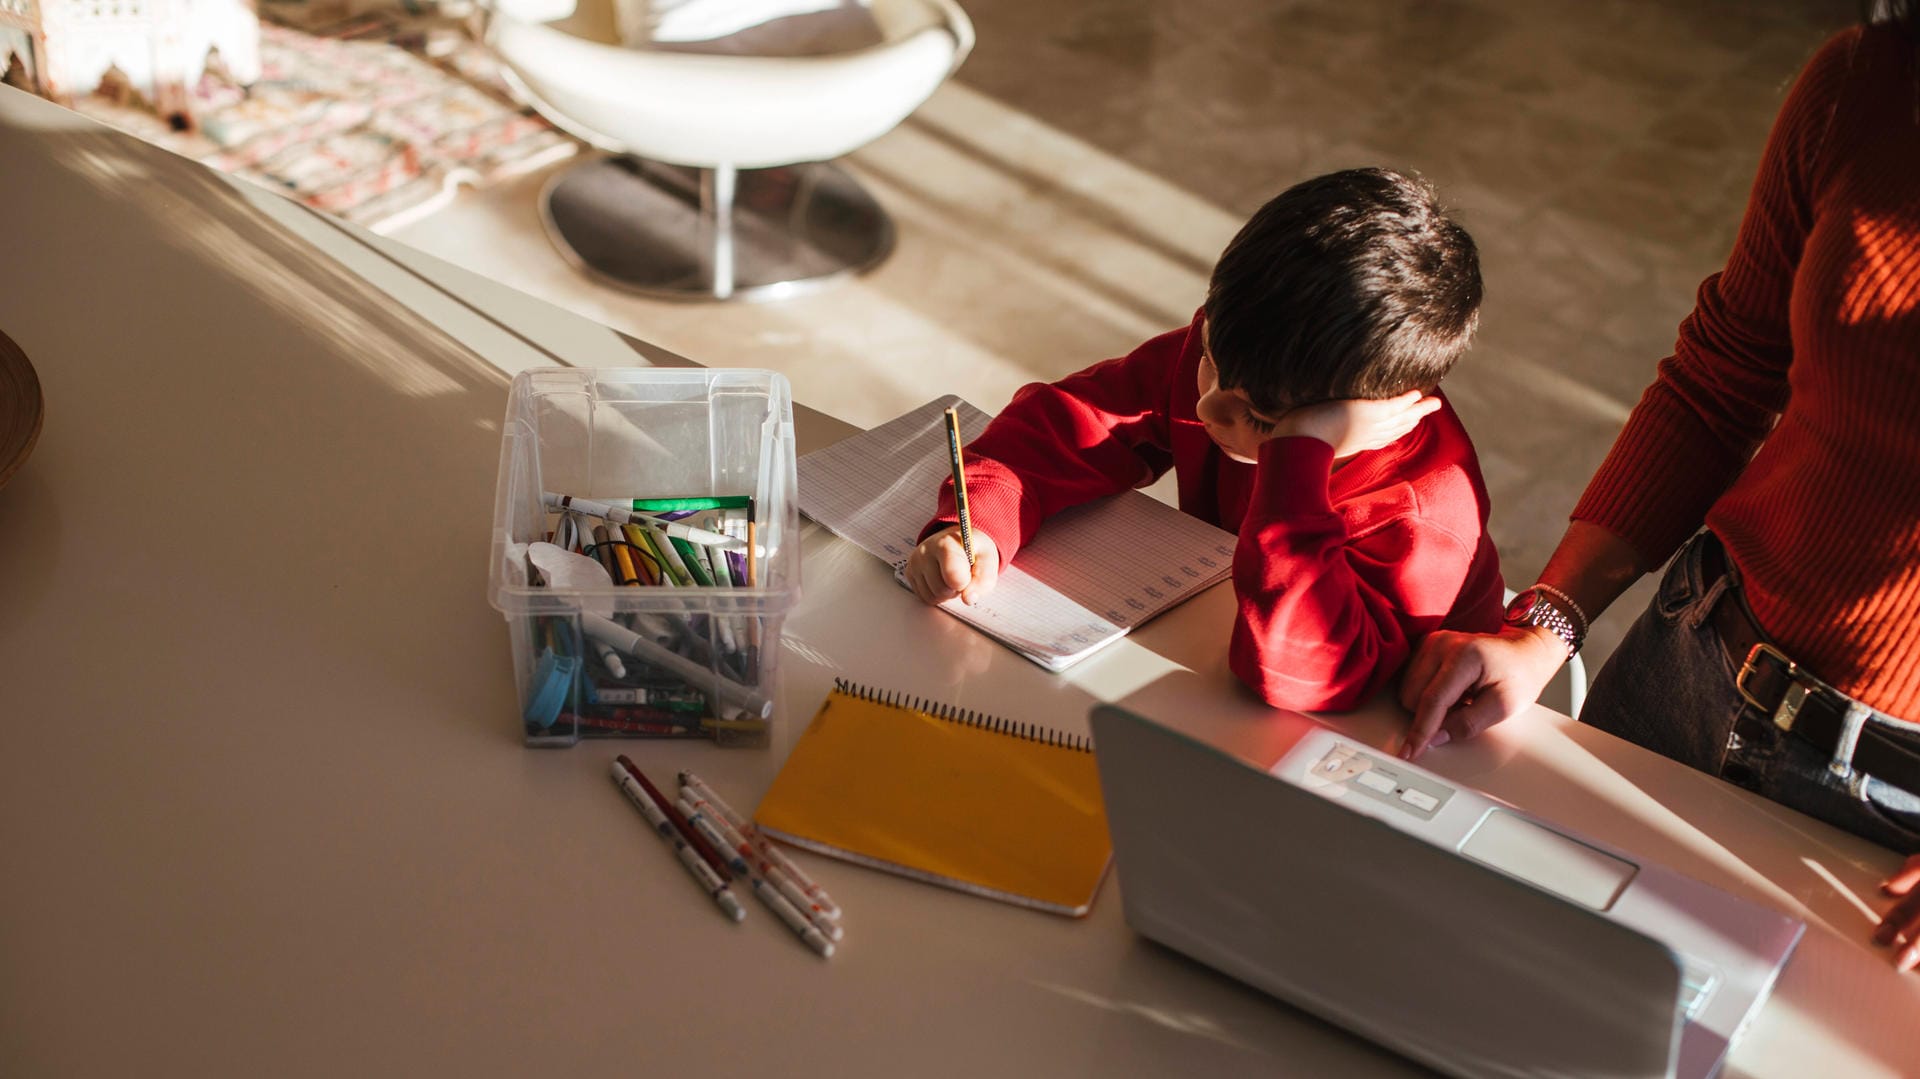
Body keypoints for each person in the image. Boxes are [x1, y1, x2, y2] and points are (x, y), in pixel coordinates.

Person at [1398, 17, 1920, 970]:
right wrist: (1546, 620)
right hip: (1690, 670)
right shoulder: (1869, 86)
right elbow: (1721, 378)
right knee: (1508, 977)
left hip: (1894, 836)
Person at [904, 168, 1503, 711]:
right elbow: (1067, 425)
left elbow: (1299, 674)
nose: (1206, 406)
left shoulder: (1422, 513)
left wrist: (1296, 457)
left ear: (1386, 414)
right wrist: (981, 521)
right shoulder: (1252, 364)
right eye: (1209, 358)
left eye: (1262, 419)